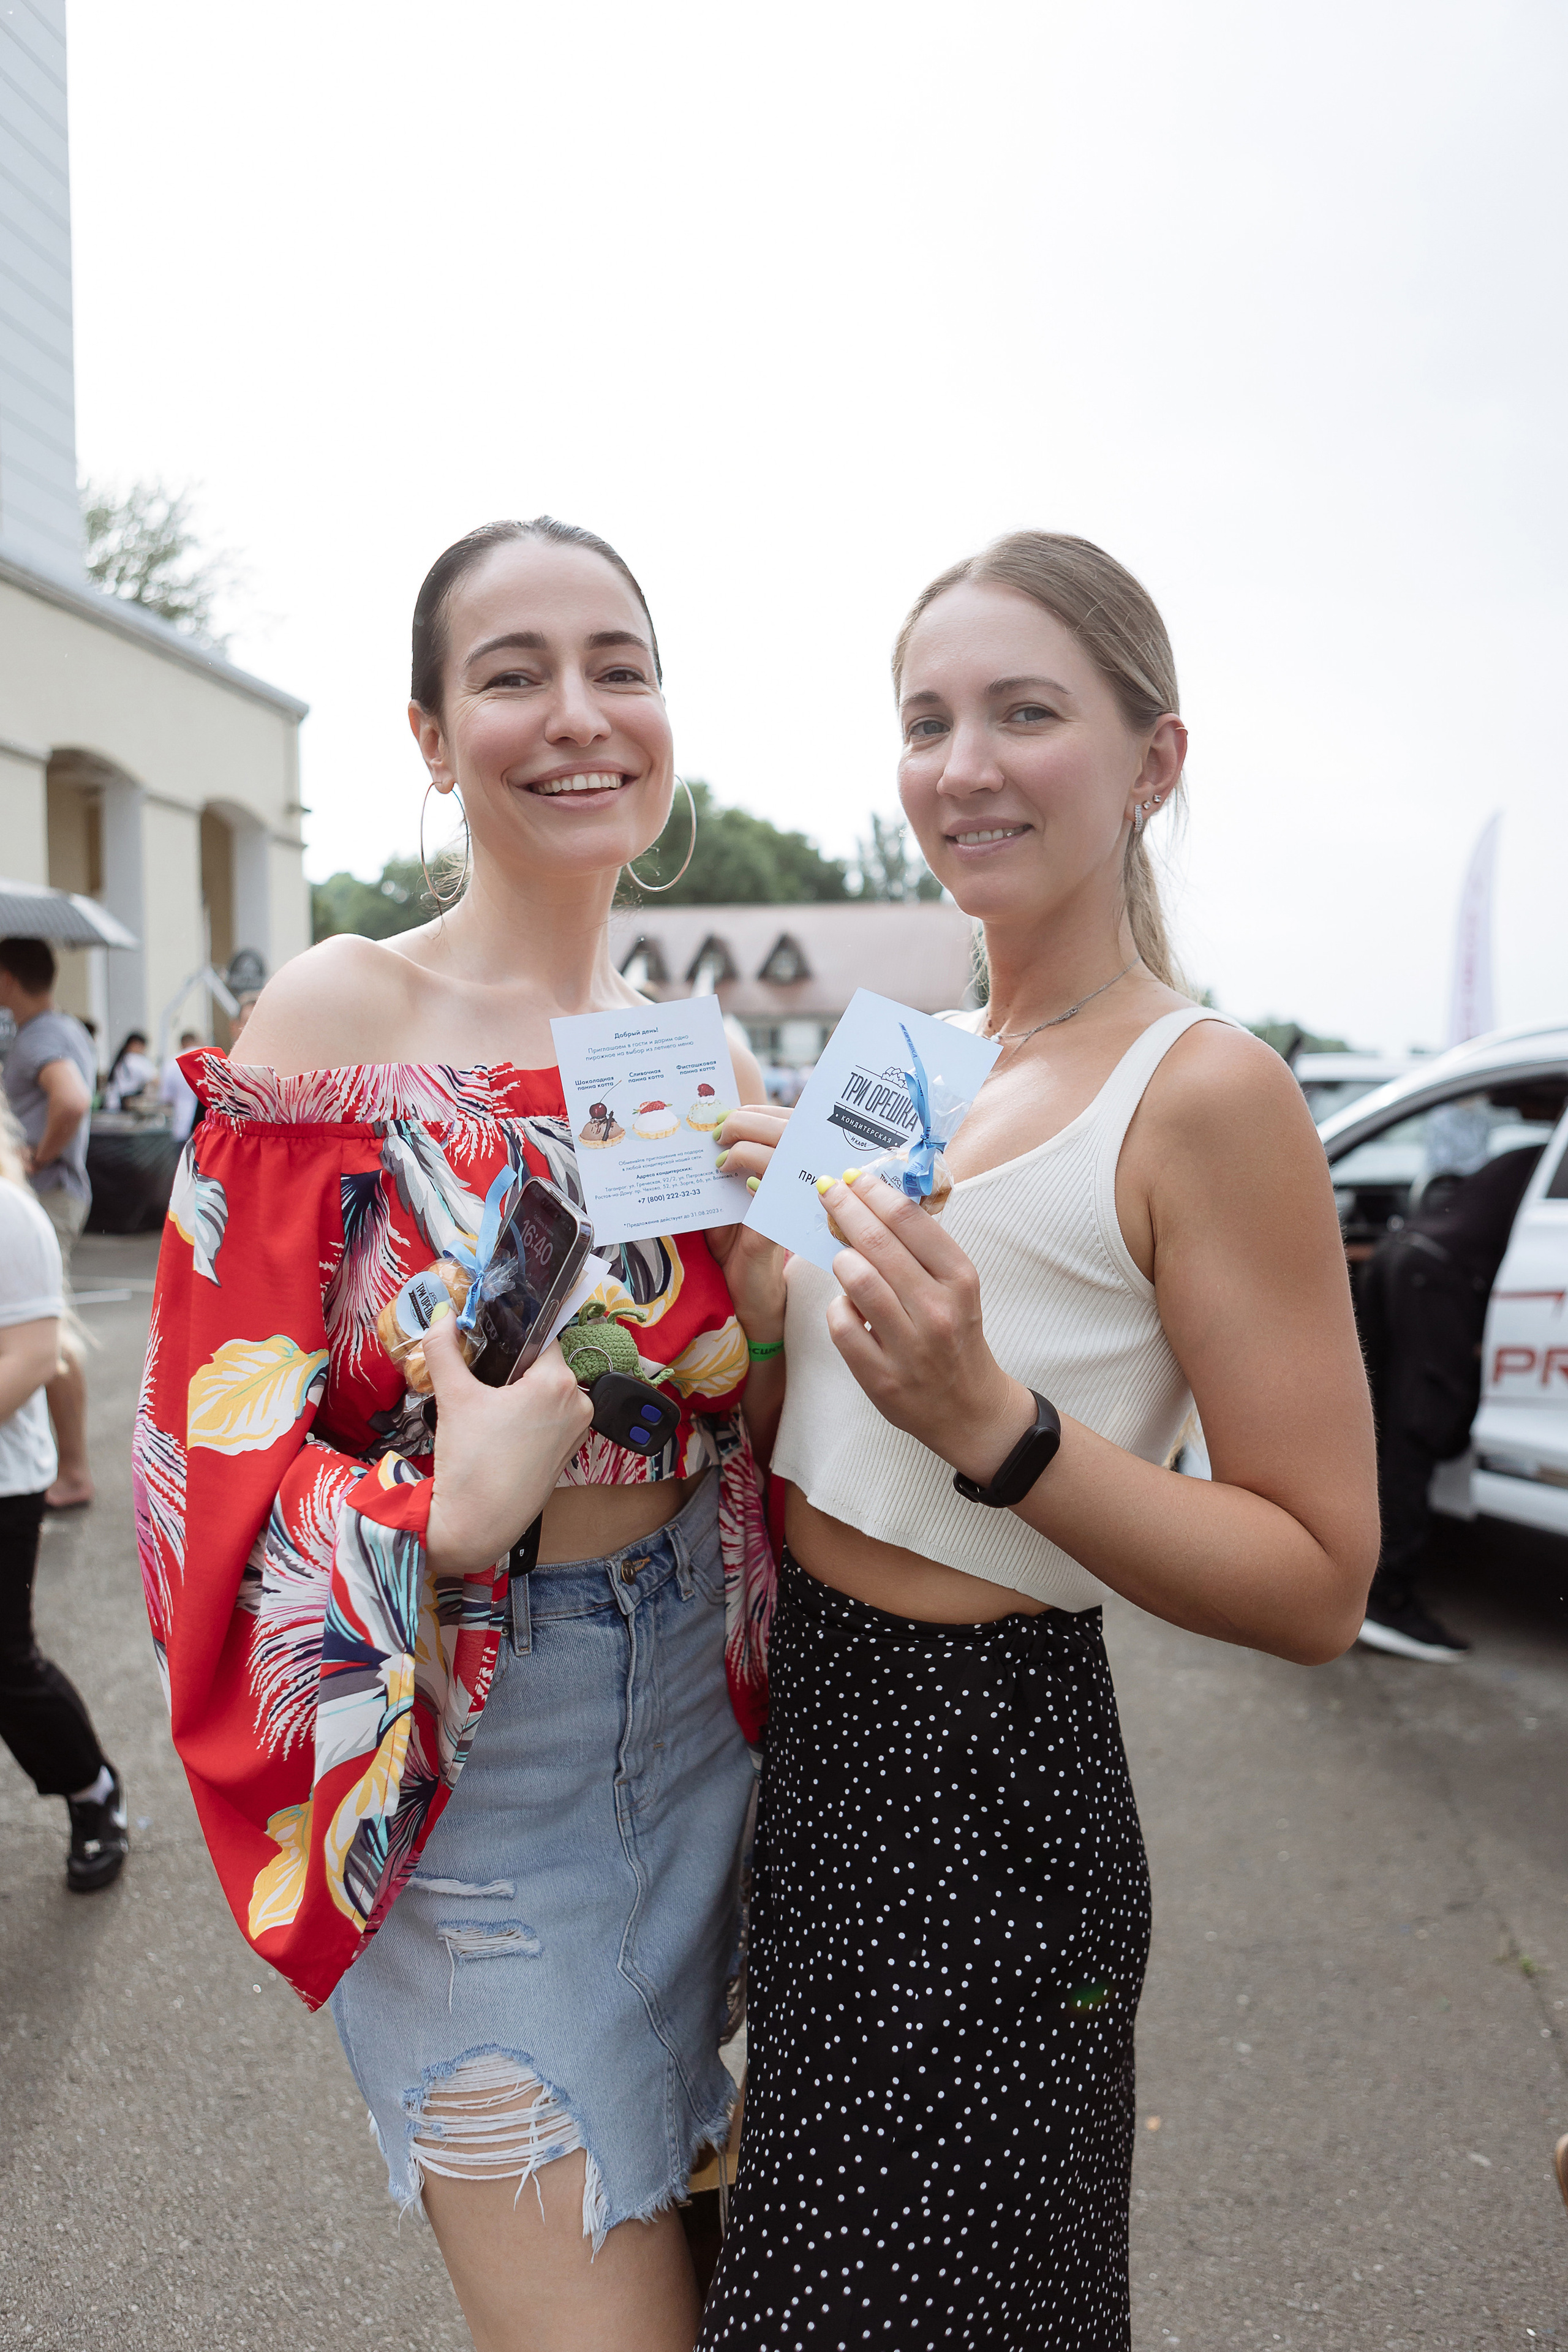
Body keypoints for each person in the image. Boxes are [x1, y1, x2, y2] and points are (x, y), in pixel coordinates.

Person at [701, 533, 1379, 2351]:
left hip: (988, 1795)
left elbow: (1320, 1575)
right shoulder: (885, 1055)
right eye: (927, 718)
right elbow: (781, 1430)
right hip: (811, 1751)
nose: (961, 762)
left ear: (1154, 759)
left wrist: (998, 1428)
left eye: (1024, 712)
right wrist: (733, 1289)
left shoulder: (1208, 1086)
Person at [133, 518, 782, 2352]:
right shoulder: (343, 1015)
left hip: (707, 1727)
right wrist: (433, 1510)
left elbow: (762, 1438)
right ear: (429, 737)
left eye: (619, 665)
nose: (579, 713)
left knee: (716, 2264)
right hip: (486, 1748)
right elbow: (200, 1462)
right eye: (513, 674)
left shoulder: (695, 1061)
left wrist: (790, 1297)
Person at [1355, 1113, 1553, 1662]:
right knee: (1415, 1434)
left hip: (1402, 1257)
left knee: (1387, 1424)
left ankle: (1356, 1572)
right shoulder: (1549, 1157)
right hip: (1435, 1278)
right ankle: (1385, 1599)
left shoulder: (1531, 1152)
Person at [0, 1099, 127, 1890]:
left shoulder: (14, 1215)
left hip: (6, 1479)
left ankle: (93, 1791)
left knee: (6, 1665)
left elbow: (35, 1356)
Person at [0, 938, 98, 1511]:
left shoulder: (41, 1035)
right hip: (51, 1197)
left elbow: (73, 1099)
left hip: (45, 1195)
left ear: (9, 978)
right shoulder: (60, 1029)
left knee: (46, 1329)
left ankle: (75, 1471)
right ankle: (72, 1468)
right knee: (44, 1325)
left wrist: (37, 1154)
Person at [158, 1029, 202, 1144]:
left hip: (182, 1123)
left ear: (181, 1044)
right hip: (206, 1127)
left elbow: (166, 1098)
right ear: (197, 1041)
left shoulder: (171, 1064)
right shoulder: (208, 1058)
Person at [103, 1028, 157, 1110]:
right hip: (125, 1106)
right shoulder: (134, 1060)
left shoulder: (121, 1060)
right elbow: (155, 1080)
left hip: (112, 1104)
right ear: (135, 1045)